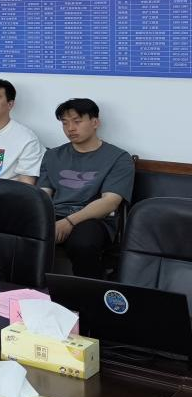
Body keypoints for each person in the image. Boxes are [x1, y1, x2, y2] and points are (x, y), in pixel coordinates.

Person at [38, 99, 134, 279]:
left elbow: (110, 202)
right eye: (65, 123)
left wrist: (69, 222)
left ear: (95, 122)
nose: (70, 128)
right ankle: (24, 290)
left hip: (94, 219)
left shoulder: (119, 158)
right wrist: (41, 221)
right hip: (55, 215)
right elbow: (42, 195)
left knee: (83, 243)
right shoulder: (52, 155)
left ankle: (89, 293)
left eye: (77, 121)